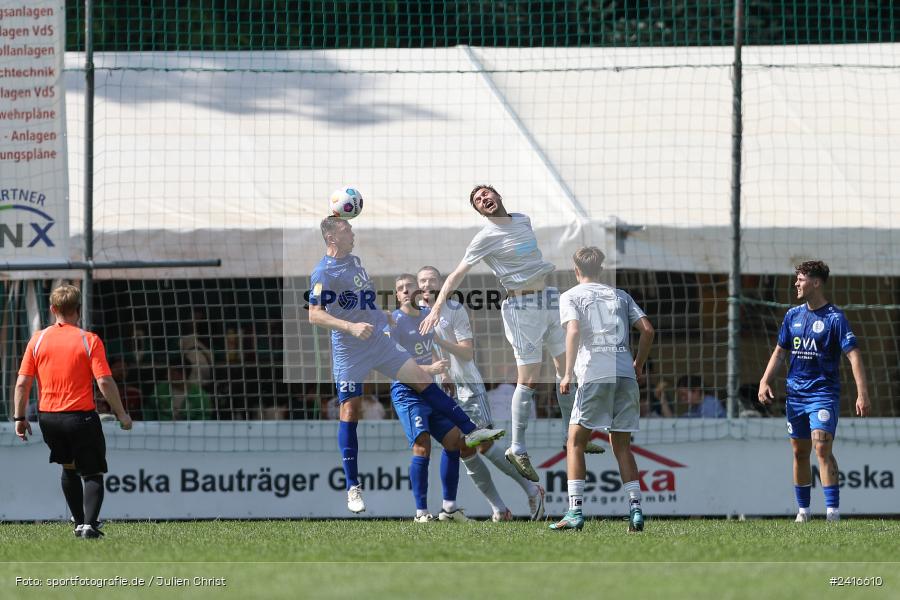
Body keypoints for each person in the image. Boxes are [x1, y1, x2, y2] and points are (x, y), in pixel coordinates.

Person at [308, 216, 504, 514]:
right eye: (346, 229)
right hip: (350, 349)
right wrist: (350, 328)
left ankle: (470, 429)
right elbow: (315, 315)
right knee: (351, 410)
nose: (352, 232)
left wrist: (380, 315)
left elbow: (360, 298)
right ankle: (352, 487)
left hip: (378, 341)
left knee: (422, 380)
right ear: (332, 238)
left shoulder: (355, 261)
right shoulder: (323, 271)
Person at [419, 184, 602, 482]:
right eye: (478, 200)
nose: (484, 200)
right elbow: (455, 275)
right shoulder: (484, 238)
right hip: (521, 306)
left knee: (566, 369)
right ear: (479, 211)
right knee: (528, 378)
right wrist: (438, 307)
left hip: (549, 299)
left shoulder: (523, 219)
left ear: (498, 196)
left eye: (486, 195)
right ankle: (517, 448)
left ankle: (573, 435)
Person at [417, 266, 546, 521]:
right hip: (441, 391)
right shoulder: (417, 313)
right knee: (462, 448)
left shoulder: (454, 310)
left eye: (432, 279)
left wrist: (439, 340)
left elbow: (466, 353)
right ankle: (500, 509)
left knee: (483, 444)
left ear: (442, 283)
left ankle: (533, 491)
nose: (427, 284)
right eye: (422, 280)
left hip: (468, 387)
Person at [12, 284, 133, 539]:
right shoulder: (88, 340)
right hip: (80, 417)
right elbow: (104, 381)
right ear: (79, 310)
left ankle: (79, 523)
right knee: (93, 472)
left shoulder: (38, 339)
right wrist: (121, 413)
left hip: (49, 418)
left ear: (52, 309)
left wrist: (20, 418)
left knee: (68, 468)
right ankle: (89, 524)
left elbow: (22, 382)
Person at [550, 247, 654, 532]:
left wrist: (568, 372)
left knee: (574, 442)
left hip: (595, 373)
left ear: (576, 269)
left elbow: (572, 331)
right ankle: (635, 509)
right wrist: (639, 364)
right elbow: (647, 330)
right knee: (621, 445)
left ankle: (575, 511)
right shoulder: (620, 295)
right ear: (602, 270)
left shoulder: (570, 295)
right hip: (625, 375)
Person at [758, 260, 870, 522]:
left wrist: (862, 393)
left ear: (816, 283)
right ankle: (804, 512)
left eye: (801, 279)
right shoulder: (792, 316)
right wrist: (765, 380)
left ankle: (832, 513)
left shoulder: (835, 318)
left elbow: (853, 355)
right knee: (799, 452)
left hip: (822, 394)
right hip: (795, 395)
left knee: (821, 448)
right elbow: (780, 352)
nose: (796, 283)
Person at [145, 359, 213, 421]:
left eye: (171, 373)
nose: (167, 376)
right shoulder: (160, 389)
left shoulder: (200, 396)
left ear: (182, 375)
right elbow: (149, 410)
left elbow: (204, 417)